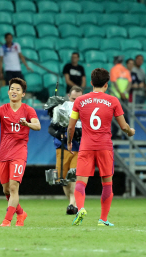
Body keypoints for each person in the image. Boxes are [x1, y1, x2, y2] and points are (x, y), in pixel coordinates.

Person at [68, 68, 136, 227]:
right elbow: (123, 125)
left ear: (91, 83)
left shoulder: (79, 101)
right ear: (106, 85)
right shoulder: (113, 101)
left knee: (81, 182)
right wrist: (130, 132)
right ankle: (103, 219)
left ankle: (81, 208)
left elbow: (71, 127)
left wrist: (70, 141)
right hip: (105, 147)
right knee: (107, 184)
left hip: (86, 146)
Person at [0, 78, 41, 227]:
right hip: (4, 154)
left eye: (18, 89)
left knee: (13, 187)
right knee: (6, 189)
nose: (14, 91)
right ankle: (21, 213)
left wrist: (27, 124)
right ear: (8, 91)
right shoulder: (1, 109)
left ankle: (7, 220)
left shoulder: (28, 110)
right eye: (12, 88)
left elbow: (38, 126)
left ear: (23, 94)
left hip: (19, 153)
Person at [49, 86, 83, 215]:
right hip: (62, 148)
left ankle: (71, 204)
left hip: (77, 148)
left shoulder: (85, 111)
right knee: (63, 179)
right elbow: (51, 128)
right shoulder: (61, 109)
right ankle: (72, 203)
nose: (75, 102)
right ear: (69, 97)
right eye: (73, 99)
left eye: (78, 99)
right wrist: (59, 134)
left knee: (74, 176)